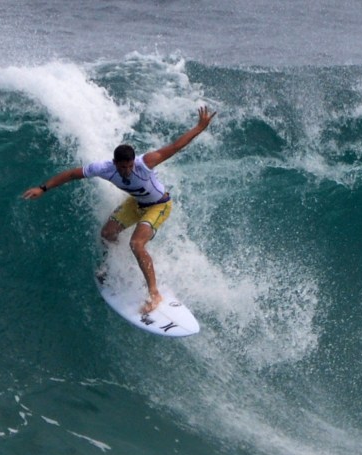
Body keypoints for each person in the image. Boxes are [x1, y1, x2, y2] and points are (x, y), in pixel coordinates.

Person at [22, 106, 216, 314]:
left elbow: (176, 146)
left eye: (129, 166)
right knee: (107, 233)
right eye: (122, 167)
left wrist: (199, 127)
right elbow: (71, 174)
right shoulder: (104, 169)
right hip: (136, 203)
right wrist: (43, 188)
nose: (127, 170)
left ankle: (154, 294)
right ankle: (112, 265)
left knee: (136, 243)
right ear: (115, 163)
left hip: (159, 205)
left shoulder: (145, 163)